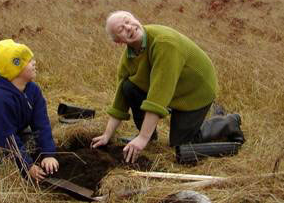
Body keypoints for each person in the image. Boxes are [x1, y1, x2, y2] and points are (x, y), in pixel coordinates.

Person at [91, 11, 245, 163]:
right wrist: (107, 135)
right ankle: (149, 136)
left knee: (181, 145)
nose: (129, 27)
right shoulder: (129, 57)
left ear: (136, 18)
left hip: (195, 91)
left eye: (128, 21)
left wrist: (142, 139)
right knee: (128, 86)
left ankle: (228, 122)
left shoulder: (164, 43)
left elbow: (159, 95)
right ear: (118, 41)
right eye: (121, 29)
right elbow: (120, 98)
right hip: (174, 89)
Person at [0, 39, 59, 182]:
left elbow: (42, 123)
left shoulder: (33, 90)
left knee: (31, 143)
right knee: (1, 156)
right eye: (28, 61)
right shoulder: (0, 99)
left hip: (10, 126)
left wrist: (48, 153)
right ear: (16, 68)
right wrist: (27, 166)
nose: (34, 63)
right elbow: (8, 138)